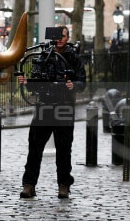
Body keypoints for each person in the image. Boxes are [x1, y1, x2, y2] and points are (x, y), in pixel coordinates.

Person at [18, 26, 86, 199]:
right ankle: (29, 185)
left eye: (63, 36)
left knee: (64, 150)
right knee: (35, 148)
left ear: (68, 37)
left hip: (64, 107)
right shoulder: (44, 56)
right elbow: (37, 82)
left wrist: (74, 86)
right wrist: (27, 82)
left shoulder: (74, 57)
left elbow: (82, 82)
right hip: (44, 107)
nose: (60, 39)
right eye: (58, 36)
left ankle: (64, 185)